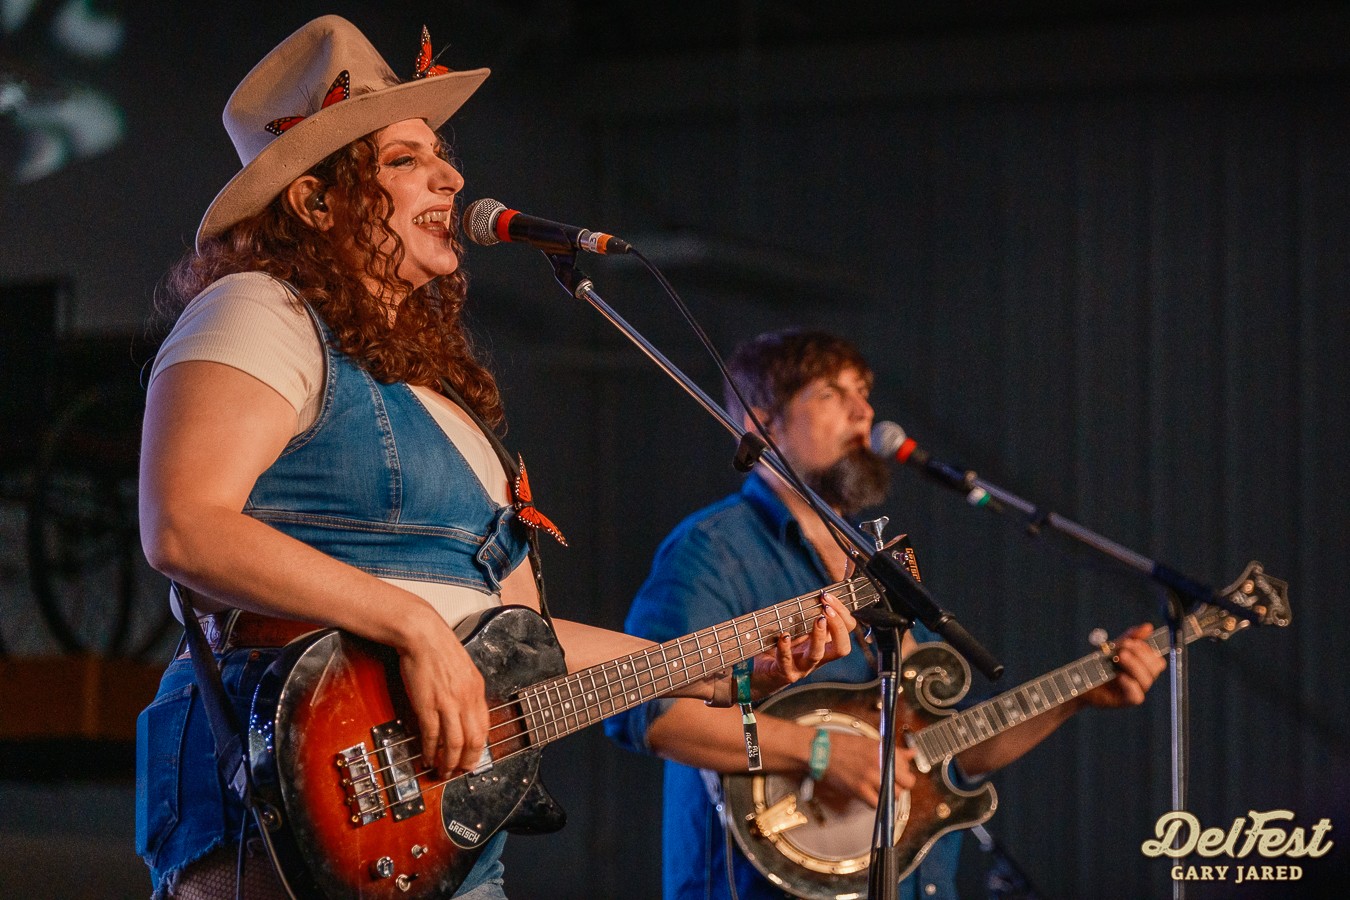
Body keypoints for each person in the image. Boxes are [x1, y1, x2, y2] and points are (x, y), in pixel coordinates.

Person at [133, 17, 858, 900]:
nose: (451, 176)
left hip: (446, 836)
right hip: (283, 798)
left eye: (442, 154)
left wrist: (725, 669)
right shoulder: (258, 309)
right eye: (405, 159)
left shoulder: (447, 398)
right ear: (317, 202)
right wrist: (411, 626)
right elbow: (184, 525)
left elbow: (519, 641)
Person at [605, 328, 1167, 900]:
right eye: (831, 393)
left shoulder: (873, 561)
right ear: (762, 422)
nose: (863, 411)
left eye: (863, 391)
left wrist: (1078, 694)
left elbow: (940, 752)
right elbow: (649, 712)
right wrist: (821, 752)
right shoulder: (713, 550)